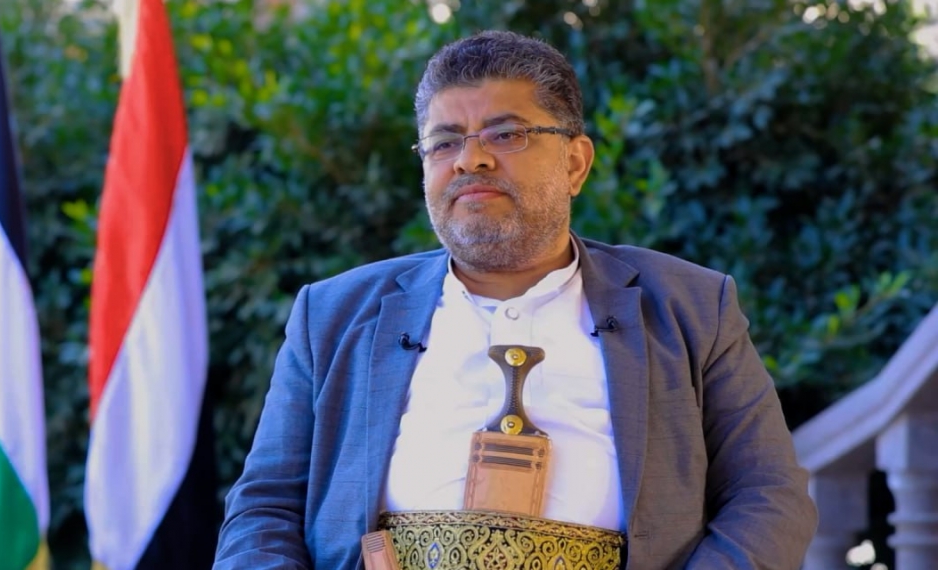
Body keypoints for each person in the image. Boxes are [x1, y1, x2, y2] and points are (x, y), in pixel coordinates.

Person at [213, 30, 817, 570]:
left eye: (506, 134)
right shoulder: (334, 315)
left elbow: (768, 495)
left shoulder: (690, 308)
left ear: (575, 163)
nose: (470, 159)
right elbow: (264, 510)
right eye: (443, 142)